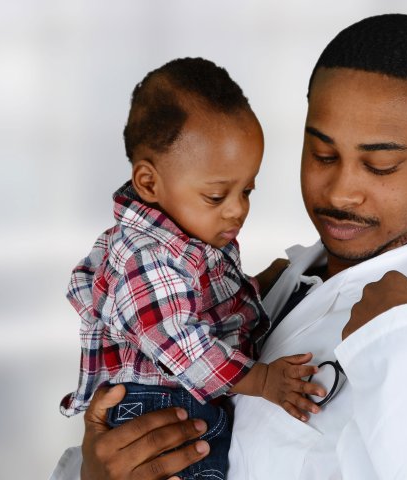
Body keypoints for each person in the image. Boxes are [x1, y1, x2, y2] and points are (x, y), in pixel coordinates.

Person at [50, 14, 407, 480]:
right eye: (322, 154)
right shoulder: (281, 281)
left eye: (380, 165)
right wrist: (91, 472)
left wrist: (400, 342)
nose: (340, 193)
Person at [57, 57, 324, 480]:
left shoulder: (187, 238)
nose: (238, 210)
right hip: (162, 410)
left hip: (185, 399)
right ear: (149, 183)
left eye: (247, 190)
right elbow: (183, 343)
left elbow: (201, 306)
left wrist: (258, 286)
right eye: (217, 196)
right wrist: (264, 382)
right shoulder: (145, 256)